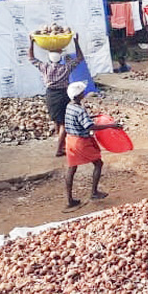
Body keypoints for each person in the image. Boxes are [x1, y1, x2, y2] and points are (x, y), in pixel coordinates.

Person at [63, 81, 123, 210]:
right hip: (82, 141)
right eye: (82, 93)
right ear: (77, 96)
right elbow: (90, 126)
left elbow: (80, 119)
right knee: (98, 163)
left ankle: (69, 200)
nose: (84, 94)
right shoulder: (80, 110)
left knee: (72, 168)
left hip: (70, 140)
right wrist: (111, 125)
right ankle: (94, 193)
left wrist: (93, 116)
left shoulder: (70, 106)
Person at [28, 32, 84, 156]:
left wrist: (31, 43)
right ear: (60, 58)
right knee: (64, 122)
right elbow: (80, 58)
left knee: (57, 121)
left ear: (49, 58)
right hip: (63, 95)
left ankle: (61, 145)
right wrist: (76, 42)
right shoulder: (66, 68)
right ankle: (59, 149)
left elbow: (31, 58)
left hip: (50, 95)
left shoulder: (45, 67)